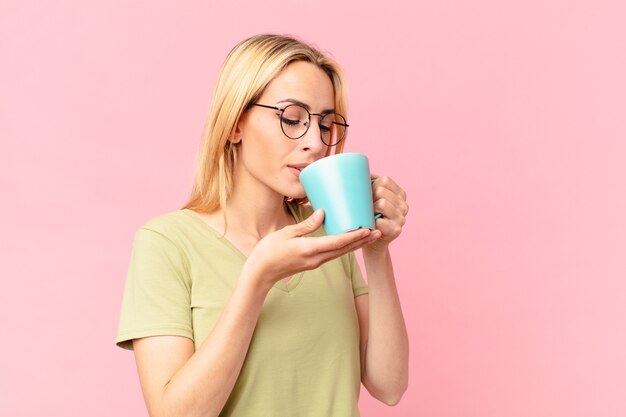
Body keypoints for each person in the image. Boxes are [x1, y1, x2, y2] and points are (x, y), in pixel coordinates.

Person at [116, 33, 409, 417]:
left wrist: (375, 249)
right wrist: (257, 279)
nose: (315, 143)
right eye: (292, 118)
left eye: (325, 124)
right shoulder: (167, 243)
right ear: (235, 124)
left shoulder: (326, 233)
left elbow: (389, 386)